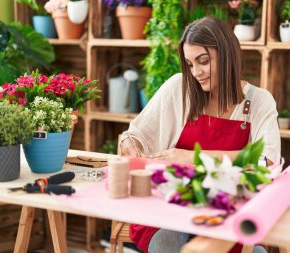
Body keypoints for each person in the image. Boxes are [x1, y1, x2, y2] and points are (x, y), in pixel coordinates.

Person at [120, 16, 280, 253]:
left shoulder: (258, 102)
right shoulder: (180, 88)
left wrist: (194, 157)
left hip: (223, 213)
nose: (195, 72)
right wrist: (130, 144)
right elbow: (135, 136)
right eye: (190, 64)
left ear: (226, 55)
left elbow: (266, 161)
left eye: (202, 61)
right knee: (168, 242)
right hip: (167, 208)